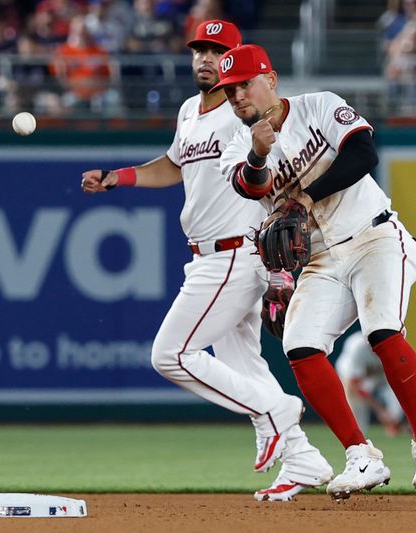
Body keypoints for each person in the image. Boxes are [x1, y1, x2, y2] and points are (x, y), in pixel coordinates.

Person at [80, 20, 333, 502]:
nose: (205, 58)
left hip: (236, 252)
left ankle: (277, 412)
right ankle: (304, 459)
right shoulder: (190, 113)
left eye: (217, 51)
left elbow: (270, 163)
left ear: (237, 59)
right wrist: (118, 178)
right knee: (245, 368)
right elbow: (174, 165)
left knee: (170, 355)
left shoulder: (244, 116)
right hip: (206, 256)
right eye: (200, 49)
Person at [214, 43, 416, 500]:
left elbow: (363, 153)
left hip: (375, 237)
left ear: (272, 79)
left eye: (245, 83)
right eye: (228, 90)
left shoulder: (319, 105)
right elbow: (251, 187)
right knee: (300, 348)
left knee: (382, 331)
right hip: (322, 260)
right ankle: (361, 456)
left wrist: (305, 197)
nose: (237, 95)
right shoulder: (237, 146)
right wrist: (259, 154)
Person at [335, 331, 405, 437]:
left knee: (397, 401)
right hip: (351, 376)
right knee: (356, 405)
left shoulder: (394, 344)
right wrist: (380, 410)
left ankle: (396, 425)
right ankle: (357, 438)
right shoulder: (358, 347)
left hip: (380, 376)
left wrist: (390, 416)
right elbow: (354, 387)